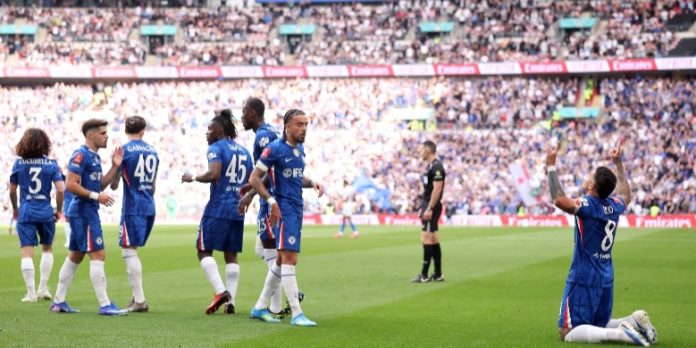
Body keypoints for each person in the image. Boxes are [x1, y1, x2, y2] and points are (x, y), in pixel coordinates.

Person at [546, 139, 657, 346]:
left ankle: (621, 334)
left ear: (591, 185)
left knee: (567, 331)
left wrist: (551, 166)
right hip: (606, 275)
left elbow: (559, 200)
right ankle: (632, 322)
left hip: (584, 276)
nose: (587, 176)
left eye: (589, 175)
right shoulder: (614, 205)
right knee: (598, 324)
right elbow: (626, 194)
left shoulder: (588, 205)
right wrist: (619, 164)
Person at [248, 109, 324, 327]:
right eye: (299, 124)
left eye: (306, 125)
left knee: (281, 261)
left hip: (297, 208)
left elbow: (297, 177)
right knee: (289, 259)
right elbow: (254, 178)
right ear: (287, 126)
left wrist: (312, 183)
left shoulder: (299, 150)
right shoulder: (274, 149)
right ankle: (297, 313)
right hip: (283, 210)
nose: (303, 129)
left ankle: (260, 306)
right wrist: (271, 202)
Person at [50, 119, 127, 316]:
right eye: (102, 133)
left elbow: (99, 185)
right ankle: (105, 304)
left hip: (84, 211)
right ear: (90, 135)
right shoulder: (80, 155)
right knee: (98, 254)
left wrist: (114, 166)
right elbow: (70, 184)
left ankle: (58, 301)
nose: (106, 136)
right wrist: (96, 197)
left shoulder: (94, 158)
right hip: (83, 212)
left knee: (75, 255)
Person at [181, 111, 252, 315]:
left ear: (220, 129)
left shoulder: (216, 148)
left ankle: (221, 292)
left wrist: (192, 176)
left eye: (210, 128)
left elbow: (214, 173)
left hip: (219, 207)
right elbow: (250, 181)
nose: (207, 132)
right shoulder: (244, 152)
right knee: (231, 255)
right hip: (238, 208)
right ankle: (232, 302)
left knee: (203, 250)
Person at [237, 99, 286, 316]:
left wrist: (250, 193)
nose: (242, 117)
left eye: (244, 112)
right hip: (271, 195)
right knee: (263, 249)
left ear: (253, 113)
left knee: (271, 250)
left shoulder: (263, 135)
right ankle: (283, 295)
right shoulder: (267, 132)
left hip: (272, 198)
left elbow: (271, 170)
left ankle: (275, 306)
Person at [109, 116, 159, 313]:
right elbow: (153, 185)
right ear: (143, 131)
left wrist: (116, 170)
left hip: (132, 207)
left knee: (129, 251)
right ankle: (137, 297)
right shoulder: (153, 151)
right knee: (133, 250)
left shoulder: (124, 151)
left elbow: (113, 184)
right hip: (149, 205)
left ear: (125, 130)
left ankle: (139, 299)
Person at [9, 128, 64, 303]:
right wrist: (59, 210)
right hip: (46, 211)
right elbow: (61, 189)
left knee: (27, 253)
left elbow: (12, 191)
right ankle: (43, 289)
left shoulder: (19, 164)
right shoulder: (52, 164)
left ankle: (31, 293)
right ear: (45, 143)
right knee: (47, 248)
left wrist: (16, 209)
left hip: (26, 211)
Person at [411, 140, 445, 283]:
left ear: (428, 150)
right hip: (428, 205)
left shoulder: (437, 167)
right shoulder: (429, 167)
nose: (420, 152)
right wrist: (423, 206)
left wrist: (429, 208)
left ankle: (424, 275)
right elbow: (428, 190)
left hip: (432, 206)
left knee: (426, 239)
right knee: (434, 239)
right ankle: (437, 274)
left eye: (421, 149)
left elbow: (437, 189)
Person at [61, 171, 74, 248]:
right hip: (71, 203)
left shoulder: (66, 185)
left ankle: (69, 241)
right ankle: (70, 241)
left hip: (68, 204)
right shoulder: (73, 184)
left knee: (68, 222)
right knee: (70, 222)